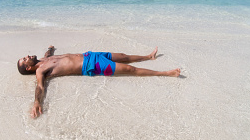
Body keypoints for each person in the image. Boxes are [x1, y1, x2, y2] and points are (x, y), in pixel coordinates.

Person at [18, 46, 181, 118]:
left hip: (91, 55)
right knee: (129, 70)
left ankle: (148, 57)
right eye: (24, 60)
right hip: (92, 65)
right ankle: (166, 73)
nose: (27, 56)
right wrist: (36, 102)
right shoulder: (40, 71)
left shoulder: (45, 58)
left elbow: (48, 52)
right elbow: (40, 86)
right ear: (29, 69)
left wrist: (51, 48)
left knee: (123, 56)